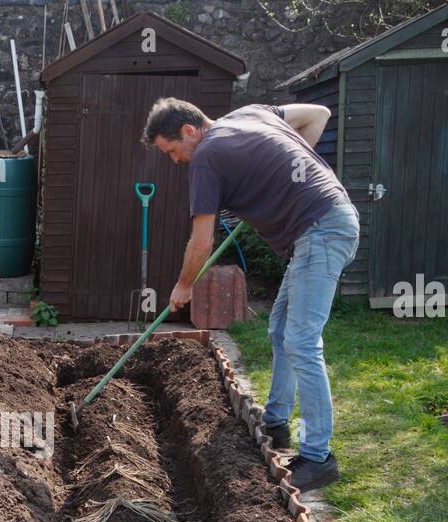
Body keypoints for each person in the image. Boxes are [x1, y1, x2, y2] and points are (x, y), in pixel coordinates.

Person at [143, 98, 360, 492]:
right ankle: (276, 422)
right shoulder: (250, 113)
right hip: (323, 224)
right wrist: (285, 178)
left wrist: (185, 284)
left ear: (189, 132)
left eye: (173, 151)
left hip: (322, 230)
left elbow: (202, 239)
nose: (176, 161)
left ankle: (319, 457)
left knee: (302, 341)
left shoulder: (207, 156)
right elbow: (318, 115)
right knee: (280, 331)